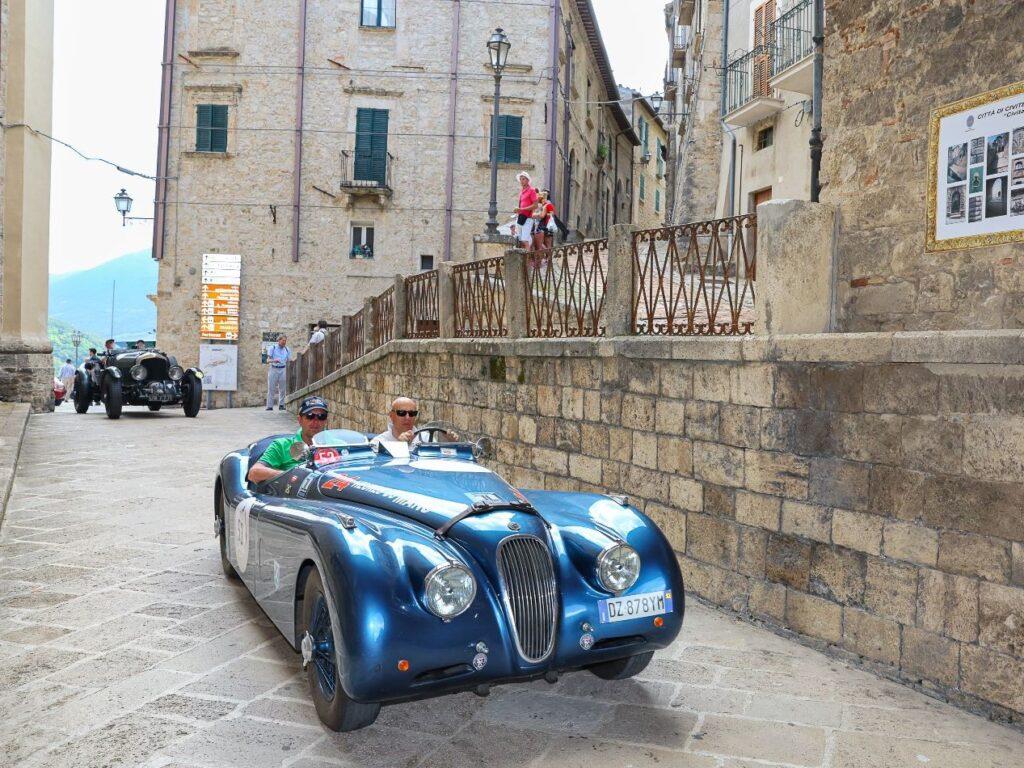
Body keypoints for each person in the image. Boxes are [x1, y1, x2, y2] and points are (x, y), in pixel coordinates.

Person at [247, 396, 330, 483]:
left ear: (325, 421)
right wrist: (291, 477)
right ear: (300, 420)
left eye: (321, 416)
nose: (315, 421)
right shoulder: (281, 446)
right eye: (310, 416)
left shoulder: (337, 445)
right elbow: (254, 473)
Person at [266, 335, 291, 411]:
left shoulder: (287, 349)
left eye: (285, 341)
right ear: (279, 340)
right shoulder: (272, 348)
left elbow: (289, 360)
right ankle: (270, 406)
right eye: (283, 340)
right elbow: (267, 360)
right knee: (271, 388)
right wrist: (274, 360)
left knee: (282, 388)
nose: (284, 342)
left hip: (283, 368)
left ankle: (281, 405)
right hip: (273, 368)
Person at [515, 173, 538, 251]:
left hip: (528, 218)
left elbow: (535, 205)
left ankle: (527, 261)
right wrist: (518, 211)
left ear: (528, 180)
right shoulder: (522, 191)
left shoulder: (532, 190)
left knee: (524, 240)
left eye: (523, 179)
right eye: (520, 179)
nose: (521, 181)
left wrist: (522, 209)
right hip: (521, 217)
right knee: (521, 240)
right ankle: (525, 258)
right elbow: (521, 205)